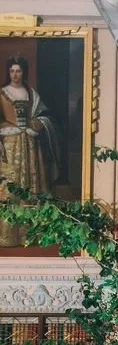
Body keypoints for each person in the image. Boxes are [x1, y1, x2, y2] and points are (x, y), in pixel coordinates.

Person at [0, 54, 59, 246]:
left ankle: (30, 234)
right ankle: (8, 236)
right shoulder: (2, 93)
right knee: (10, 188)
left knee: (32, 187)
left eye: (18, 71)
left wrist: (38, 124)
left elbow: (45, 116)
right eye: (12, 71)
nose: (15, 74)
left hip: (31, 146)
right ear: (8, 72)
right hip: (9, 145)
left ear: (23, 72)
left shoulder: (32, 94)